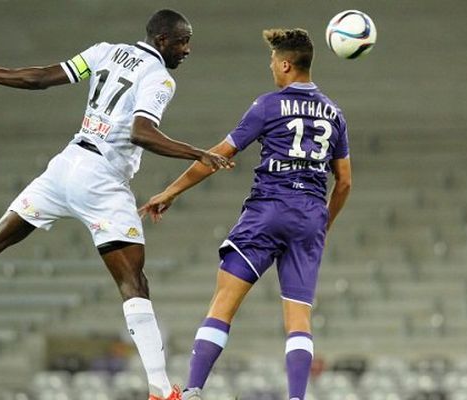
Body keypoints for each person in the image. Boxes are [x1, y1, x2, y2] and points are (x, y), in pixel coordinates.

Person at [0, 9, 233, 400]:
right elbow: (142, 132)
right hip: (102, 179)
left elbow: (38, 78)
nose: (187, 49)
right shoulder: (159, 78)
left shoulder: (105, 51)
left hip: (64, 166)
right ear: (162, 40)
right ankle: (159, 389)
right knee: (133, 283)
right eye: (183, 41)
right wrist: (198, 154)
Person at [140, 28, 352, 400]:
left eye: (273, 60)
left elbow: (219, 155)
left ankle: (193, 390)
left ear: (286, 64)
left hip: (268, 210)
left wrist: (171, 191)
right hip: (310, 216)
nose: (271, 66)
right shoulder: (334, 113)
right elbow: (345, 182)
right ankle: (297, 398)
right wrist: (323, 224)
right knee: (299, 318)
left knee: (224, 301)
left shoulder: (268, 105)